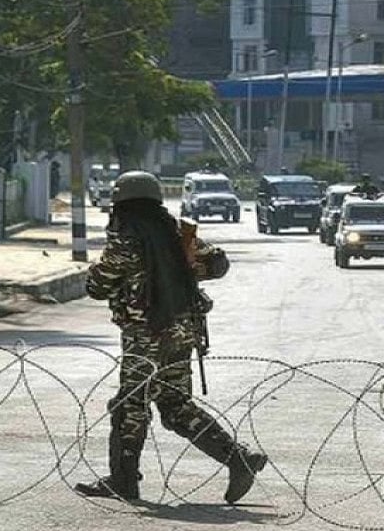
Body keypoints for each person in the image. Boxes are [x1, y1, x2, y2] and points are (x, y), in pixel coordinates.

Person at [74, 171, 267, 503]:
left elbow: (97, 286)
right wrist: (185, 270)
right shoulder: (177, 233)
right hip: (182, 331)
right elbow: (217, 262)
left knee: (130, 405)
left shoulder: (126, 238)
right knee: (175, 405)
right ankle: (238, 458)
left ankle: (123, 481)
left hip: (146, 335)